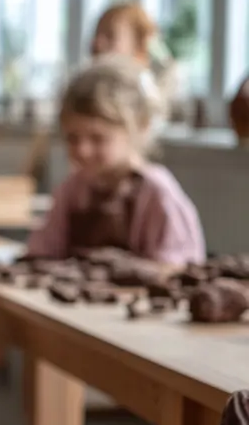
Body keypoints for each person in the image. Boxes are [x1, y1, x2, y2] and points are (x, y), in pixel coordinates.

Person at [25, 55, 204, 266]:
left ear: (141, 126)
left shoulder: (157, 195)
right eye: (72, 138)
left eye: (98, 138)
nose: (82, 150)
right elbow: (42, 253)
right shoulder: (72, 191)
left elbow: (176, 269)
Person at [90, 0, 178, 103]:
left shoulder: (145, 92)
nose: (97, 44)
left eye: (110, 36)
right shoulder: (87, 88)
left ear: (139, 45)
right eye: (97, 34)